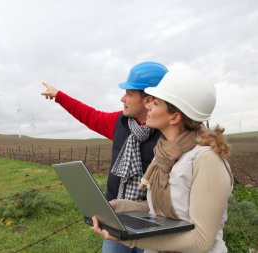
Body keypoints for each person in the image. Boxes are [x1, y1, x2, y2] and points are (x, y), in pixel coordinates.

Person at [91, 67, 233, 253]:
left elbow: (201, 241)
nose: (148, 106)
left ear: (175, 117)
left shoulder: (206, 161)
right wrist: (119, 206)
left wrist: (130, 240)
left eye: (156, 103)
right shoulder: (164, 153)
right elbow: (158, 209)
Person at [41, 62, 168, 253]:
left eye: (129, 94)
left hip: (156, 224)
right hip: (117, 218)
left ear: (148, 100)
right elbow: (90, 116)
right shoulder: (120, 123)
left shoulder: (171, 134)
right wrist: (59, 96)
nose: (122, 98)